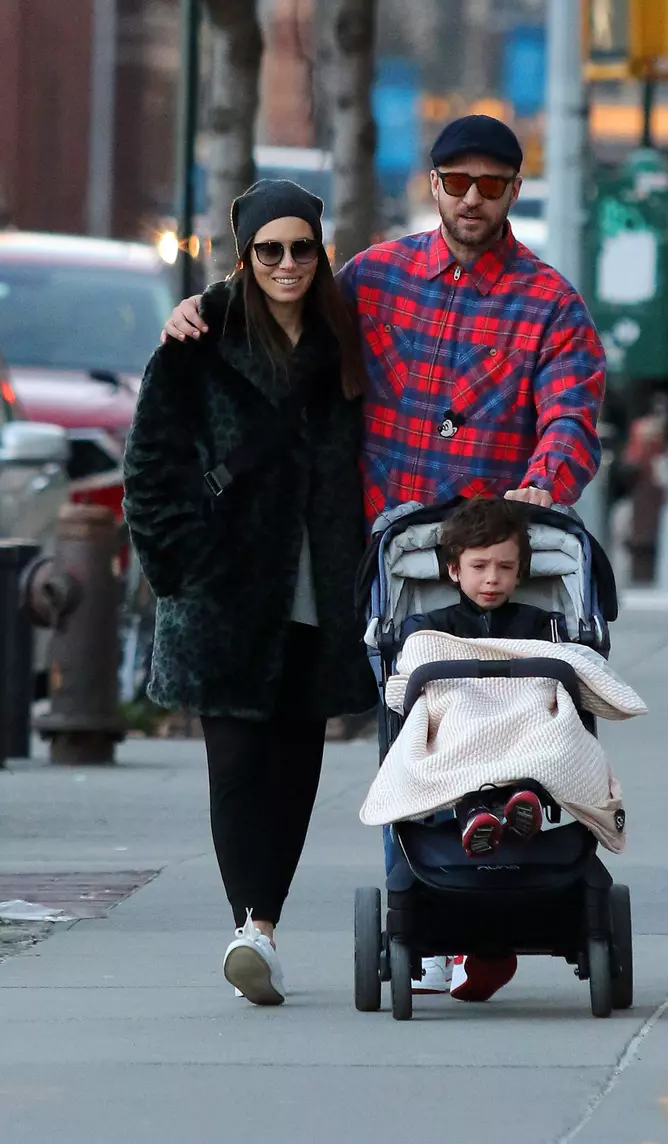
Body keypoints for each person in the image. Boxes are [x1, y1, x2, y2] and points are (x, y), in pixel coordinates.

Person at [162, 114, 606, 1002]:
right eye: (456, 181)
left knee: (502, 716)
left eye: (491, 183)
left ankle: (494, 898)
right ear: (431, 185)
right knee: (410, 726)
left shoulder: (551, 302)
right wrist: (204, 309)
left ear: (515, 191)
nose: (472, 198)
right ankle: (430, 904)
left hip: (490, 555)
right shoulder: (376, 279)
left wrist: (538, 489)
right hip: (384, 556)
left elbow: (570, 413)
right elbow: (281, 308)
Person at [123, 179, 376, 1007]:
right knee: (235, 763)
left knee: (297, 763)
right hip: (223, 592)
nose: (288, 264)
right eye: (270, 250)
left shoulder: (346, 340)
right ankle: (251, 932)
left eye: (303, 248)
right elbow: (149, 468)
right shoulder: (198, 341)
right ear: (246, 257)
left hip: (317, 587)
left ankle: (264, 921)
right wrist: (179, 568)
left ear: (321, 252)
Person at [404, 497, 564, 858]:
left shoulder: (539, 623)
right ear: (454, 570)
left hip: (520, 716)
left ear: (520, 572)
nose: (492, 578)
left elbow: (561, 671)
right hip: (462, 717)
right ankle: (475, 812)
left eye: (505, 567)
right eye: (479, 566)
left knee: (542, 721)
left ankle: (524, 800)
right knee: (456, 726)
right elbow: (415, 668)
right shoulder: (431, 626)